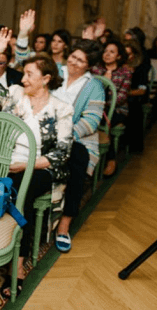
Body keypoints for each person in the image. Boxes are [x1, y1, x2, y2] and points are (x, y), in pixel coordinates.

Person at [0, 29, 73, 296]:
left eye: (29, 75)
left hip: (40, 168)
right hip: (6, 164)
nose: (23, 78)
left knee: (21, 190)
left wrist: (27, 164)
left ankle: (17, 267)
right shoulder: (15, 95)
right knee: (10, 187)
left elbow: (62, 153)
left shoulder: (61, 109)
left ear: (46, 78)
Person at [52, 39, 105, 252]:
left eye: (80, 60)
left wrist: (65, 135)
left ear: (88, 65)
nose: (74, 62)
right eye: (73, 56)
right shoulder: (55, 71)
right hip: (42, 132)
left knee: (78, 160)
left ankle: (65, 223)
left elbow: (91, 121)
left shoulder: (94, 86)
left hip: (77, 138)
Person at [91, 40, 131, 176]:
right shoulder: (96, 69)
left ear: (119, 56)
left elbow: (121, 98)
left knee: (102, 123)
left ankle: (110, 159)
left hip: (117, 110)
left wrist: (105, 86)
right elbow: (89, 91)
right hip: (96, 107)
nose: (107, 54)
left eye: (112, 52)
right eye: (106, 51)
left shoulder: (125, 72)